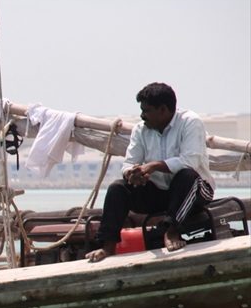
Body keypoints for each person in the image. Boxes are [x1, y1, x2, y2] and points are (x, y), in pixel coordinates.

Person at [86, 82, 214, 263]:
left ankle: (171, 231)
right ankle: (108, 245)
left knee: (187, 175)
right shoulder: (140, 129)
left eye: (146, 111)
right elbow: (129, 163)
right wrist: (133, 173)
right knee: (118, 188)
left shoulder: (190, 122)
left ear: (163, 110)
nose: (142, 115)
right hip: (160, 194)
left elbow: (190, 161)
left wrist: (153, 166)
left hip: (195, 192)